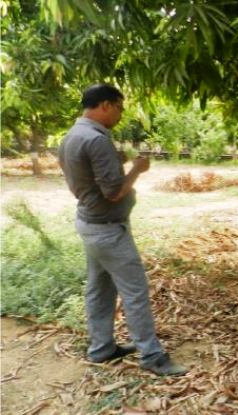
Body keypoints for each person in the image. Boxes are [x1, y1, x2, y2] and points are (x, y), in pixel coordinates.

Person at [58, 84, 187, 376]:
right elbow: (114, 192)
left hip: (90, 223)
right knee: (135, 292)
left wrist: (117, 164)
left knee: (99, 290)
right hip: (108, 230)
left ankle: (101, 348)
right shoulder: (96, 139)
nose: (120, 114)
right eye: (119, 107)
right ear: (105, 105)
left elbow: (79, 173)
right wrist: (137, 169)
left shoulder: (72, 136)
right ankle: (152, 356)